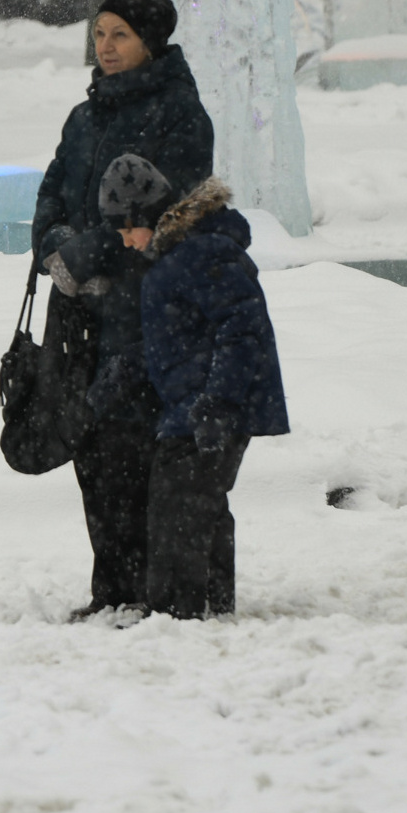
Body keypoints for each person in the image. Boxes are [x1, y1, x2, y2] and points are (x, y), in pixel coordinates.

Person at [30, 0, 215, 620]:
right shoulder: (85, 118)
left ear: (150, 42)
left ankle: (144, 590)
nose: (106, 47)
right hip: (79, 311)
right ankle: (110, 589)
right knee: (93, 448)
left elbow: (167, 216)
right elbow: (52, 193)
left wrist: (91, 257)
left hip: (143, 312)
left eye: (120, 36)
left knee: (133, 449)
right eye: (101, 34)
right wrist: (55, 247)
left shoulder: (179, 114)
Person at [122, 166, 288, 619]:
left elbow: (242, 328)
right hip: (193, 403)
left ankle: (178, 612)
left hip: (209, 405)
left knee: (178, 505)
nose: (126, 241)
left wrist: (218, 401)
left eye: (127, 229)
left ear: (150, 218)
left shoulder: (200, 253)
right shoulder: (180, 257)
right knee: (202, 505)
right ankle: (212, 608)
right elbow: (177, 336)